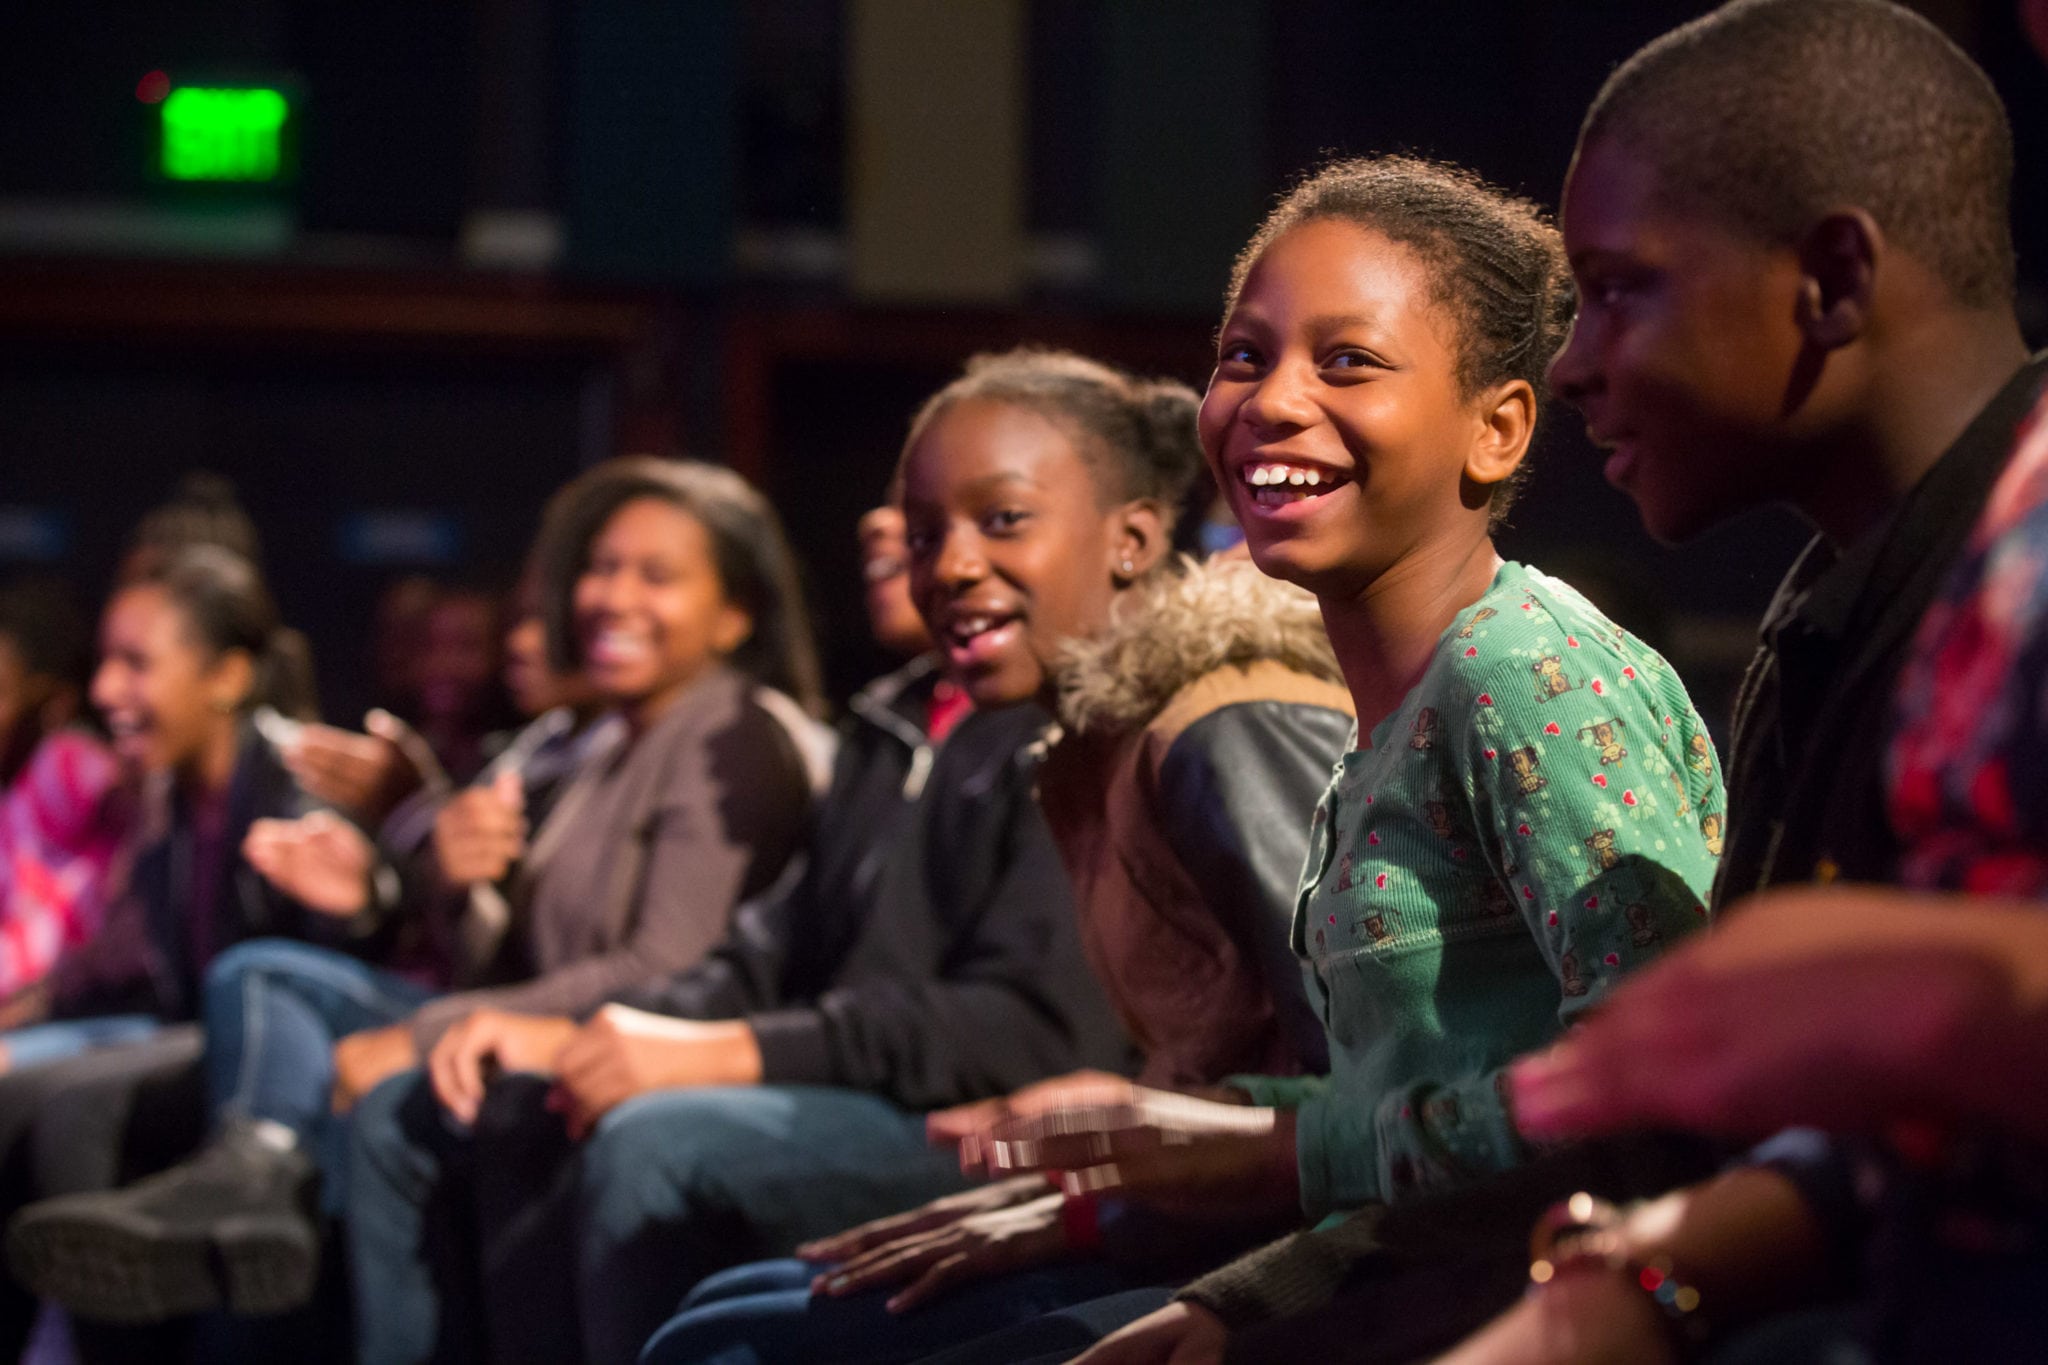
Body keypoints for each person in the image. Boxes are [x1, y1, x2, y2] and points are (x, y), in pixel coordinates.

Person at [933, 155, 1727, 1365]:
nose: (1270, 400)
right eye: (1243, 357)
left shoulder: (1520, 672)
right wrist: (1163, 1165)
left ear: (1497, 427)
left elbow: (1651, 1093)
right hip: (1409, 1278)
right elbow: (1412, 1123)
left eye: (1344, 362)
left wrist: (1272, 1171)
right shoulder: (1388, 711)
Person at [1402, 2, 2048, 1361]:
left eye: (1621, 288)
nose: (1571, 366)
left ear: (1830, 282)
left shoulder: (2010, 559)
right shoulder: (1838, 603)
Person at [638, 355, 1354, 1365]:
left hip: (1287, 1266)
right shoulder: (1082, 741)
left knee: (727, 1344)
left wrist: (1114, 1219)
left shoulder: (1222, 726)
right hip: (1185, 1216)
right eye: (925, 536)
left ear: (1132, 540)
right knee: (721, 1318)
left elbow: (1380, 1108)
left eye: (1002, 521)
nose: (949, 567)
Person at [8, 458, 821, 1328]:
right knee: (263, 977)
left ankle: (252, 1190)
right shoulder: (587, 743)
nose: (609, 595)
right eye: (601, 567)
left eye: (654, 576)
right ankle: (250, 1172)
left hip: (624, 1043)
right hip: (521, 1013)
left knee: (373, 1102)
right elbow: (496, 948)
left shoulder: (726, 737)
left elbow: (667, 969)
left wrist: (417, 1030)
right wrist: (447, 882)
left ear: (735, 614)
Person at [0, 547, 335, 1358]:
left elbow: (342, 955)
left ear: (226, 676)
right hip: (179, 1027)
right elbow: (109, 965)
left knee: (73, 1104)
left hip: (282, 1053)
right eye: (107, 661)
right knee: (15, 1082)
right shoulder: (168, 802)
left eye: (136, 664)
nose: (107, 689)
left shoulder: (300, 781)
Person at [0, 581, 123, 1006]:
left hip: (69, 1009)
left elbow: (123, 793)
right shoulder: (13, 791)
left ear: (55, 703)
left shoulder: (63, 761)